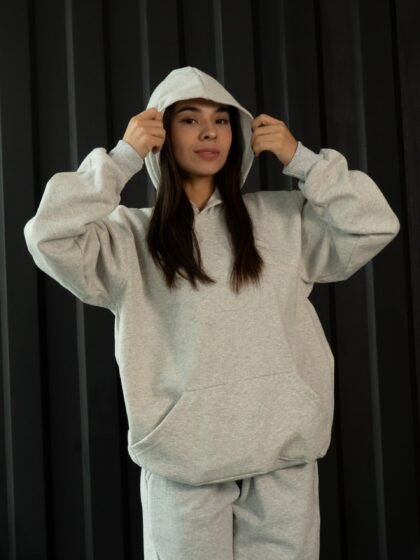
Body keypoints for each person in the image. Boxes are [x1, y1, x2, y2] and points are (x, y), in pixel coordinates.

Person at [23, 66, 400, 560]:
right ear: (161, 134)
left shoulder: (284, 219)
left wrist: (304, 161)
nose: (209, 133)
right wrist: (121, 159)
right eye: (189, 120)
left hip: (281, 458)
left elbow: (374, 225)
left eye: (221, 120)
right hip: (184, 466)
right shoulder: (127, 238)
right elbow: (46, 235)